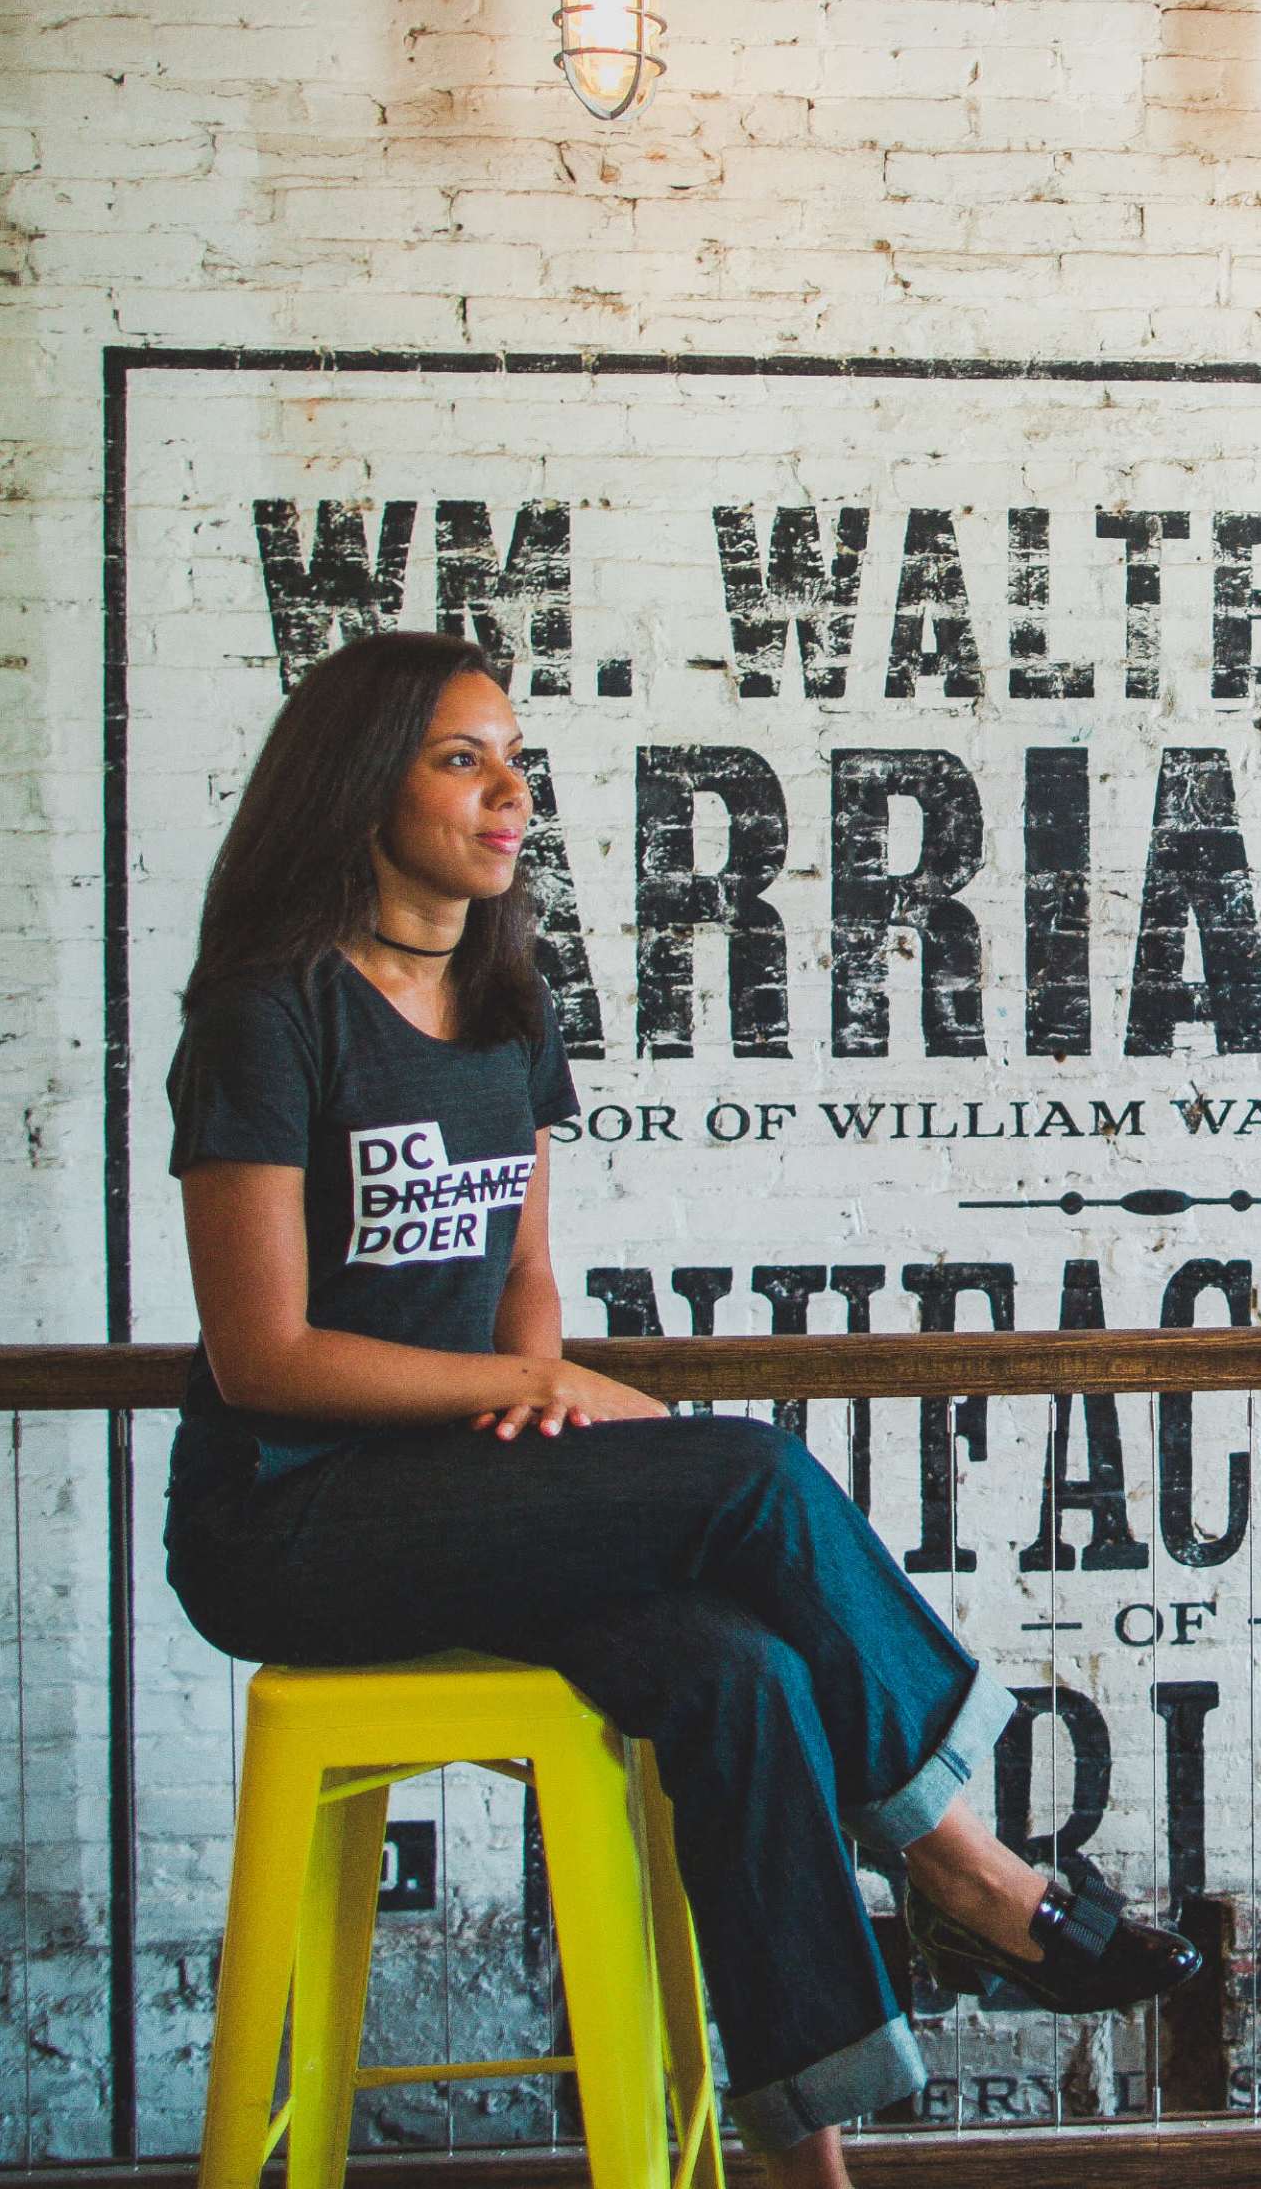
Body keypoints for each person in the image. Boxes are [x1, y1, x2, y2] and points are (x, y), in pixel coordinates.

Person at [159, 630, 1196, 2185]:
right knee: (756, 1481)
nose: (512, 791)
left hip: (463, 1486)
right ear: (358, 783)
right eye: (463, 759)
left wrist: (543, 1395)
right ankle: (971, 1872)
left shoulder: (504, 1007)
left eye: (515, 759)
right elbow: (265, 1359)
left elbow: (526, 1277)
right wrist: (535, 1390)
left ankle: (806, 2166)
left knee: (742, 1674)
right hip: (288, 1518)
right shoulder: (270, 1016)